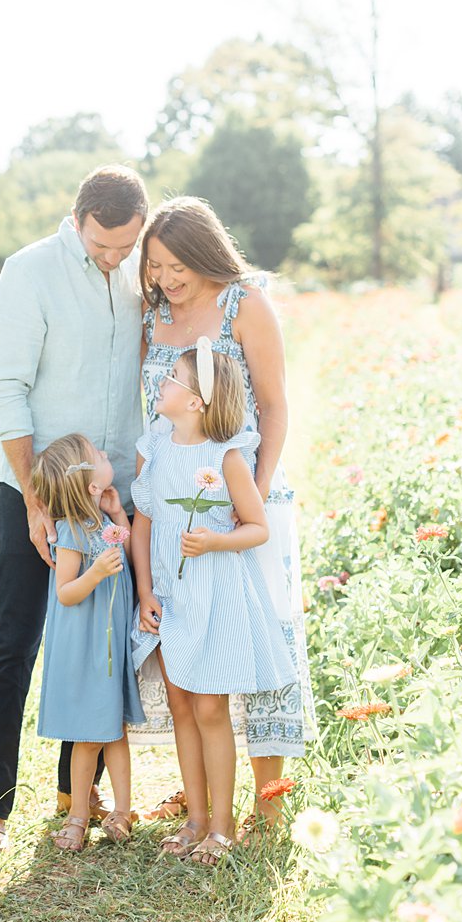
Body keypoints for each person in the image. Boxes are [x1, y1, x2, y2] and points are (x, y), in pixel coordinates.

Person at [128, 195, 317, 838]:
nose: (166, 278)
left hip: (248, 496)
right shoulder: (153, 317)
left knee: (261, 644)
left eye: (177, 265)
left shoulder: (246, 304)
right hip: (178, 505)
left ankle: (269, 804)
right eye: (154, 266)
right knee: (192, 652)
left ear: (208, 255)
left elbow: (274, 407)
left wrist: (248, 498)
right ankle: (204, 804)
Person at [0, 165, 149, 854]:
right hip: (34, 488)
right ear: (78, 219)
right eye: (102, 246)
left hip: (114, 490)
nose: (113, 259)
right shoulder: (30, 272)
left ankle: (74, 792)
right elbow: (7, 391)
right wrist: (37, 500)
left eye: (123, 248)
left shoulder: (138, 271)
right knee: (16, 639)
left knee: (105, 643)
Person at [131, 347, 296, 864]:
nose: (161, 382)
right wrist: (144, 591)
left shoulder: (225, 456)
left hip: (217, 593)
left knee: (208, 706)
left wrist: (214, 542)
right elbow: (144, 523)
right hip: (170, 593)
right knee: (181, 704)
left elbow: (256, 527)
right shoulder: (154, 448)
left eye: (173, 378)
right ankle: (196, 818)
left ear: (197, 401)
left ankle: (222, 826)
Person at [28, 433, 145, 851]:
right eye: (97, 455)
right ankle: (78, 814)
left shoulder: (103, 520)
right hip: (88, 644)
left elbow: (130, 556)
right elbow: (65, 592)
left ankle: (122, 810)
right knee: (87, 734)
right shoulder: (73, 531)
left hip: (110, 646)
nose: (105, 453)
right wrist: (94, 574)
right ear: (91, 485)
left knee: (115, 731)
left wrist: (119, 515)